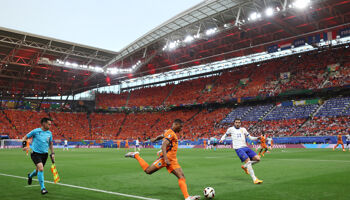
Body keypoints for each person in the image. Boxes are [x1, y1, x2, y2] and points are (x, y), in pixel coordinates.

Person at [125, 119, 200, 200]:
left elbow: (161, 136)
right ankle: (136, 155)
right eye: (180, 127)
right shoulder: (171, 133)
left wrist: (155, 139)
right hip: (165, 159)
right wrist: (166, 159)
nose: (181, 129)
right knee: (148, 171)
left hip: (173, 160)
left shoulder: (169, 132)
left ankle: (187, 197)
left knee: (181, 176)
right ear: (176, 124)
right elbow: (164, 146)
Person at [219, 118, 263, 184]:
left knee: (258, 159)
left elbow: (250, 137)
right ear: (234, 123)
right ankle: (255, 179)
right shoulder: (231, 129)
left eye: (239, 122)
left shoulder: (243, 129)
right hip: (238, 148)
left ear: (240, 123)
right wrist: (221, 139)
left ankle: (245, 166)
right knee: (248, 161)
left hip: (245, 147)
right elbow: (225, 135)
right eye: (236, 122)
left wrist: (257, 138)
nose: (237, 123)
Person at [22, 117, 55, 194]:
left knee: (37, 171)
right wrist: (24, 146)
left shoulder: (49, 133)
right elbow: (25, 137)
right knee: (41, 169)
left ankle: (30, 176)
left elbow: (50, 143)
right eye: (49, 124)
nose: (50, 126)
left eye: (50, 124)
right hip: (35, 153)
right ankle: (43, 188)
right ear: (44, 123)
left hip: (45, 154)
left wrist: (52, 153)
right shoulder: (36, 131)